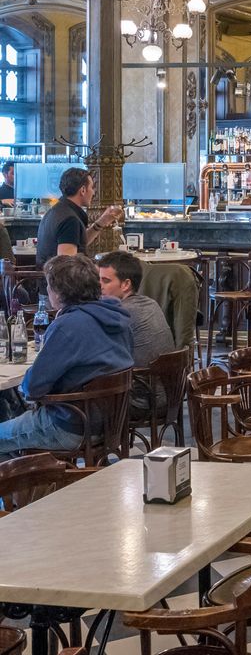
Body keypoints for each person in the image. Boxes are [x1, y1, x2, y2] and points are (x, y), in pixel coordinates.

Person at [0, 255, 133, 457]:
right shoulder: (119, 318)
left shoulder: (68, 326)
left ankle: (24, 482)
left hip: (69, 426)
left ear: (59, 292)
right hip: (111, 423)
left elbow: (33, 387)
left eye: (48, 286)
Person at [98, 250, 175, 415]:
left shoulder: (121, 313)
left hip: (143, 402)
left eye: (105, 281)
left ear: (126, 284)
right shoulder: (150, 303)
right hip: (169, 396)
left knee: (77, 403)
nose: (99, 286)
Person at [35, 167, 123, 263]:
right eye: (92, 187)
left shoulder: (58, 210)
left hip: (47, 276)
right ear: (83, 190)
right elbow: (66, 266)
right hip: (57, 277)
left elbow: (79, 242)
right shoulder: (70, 220)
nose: (93, 193)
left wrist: (102, 222)